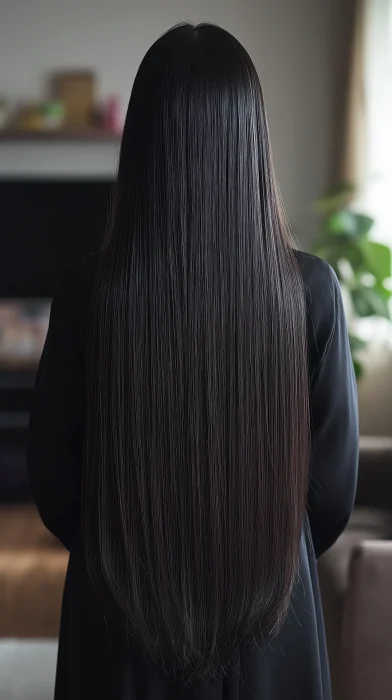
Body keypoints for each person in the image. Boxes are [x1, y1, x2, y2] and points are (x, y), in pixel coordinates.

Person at [27, 23, 358, 700]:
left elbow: (55, 486)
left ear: (141, 147)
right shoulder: (312, 293)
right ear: (251, 144)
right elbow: (330, 496)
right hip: (273, 619)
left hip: (115, 617)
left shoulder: (86, 293)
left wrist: (125, 550)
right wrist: (259, 554)